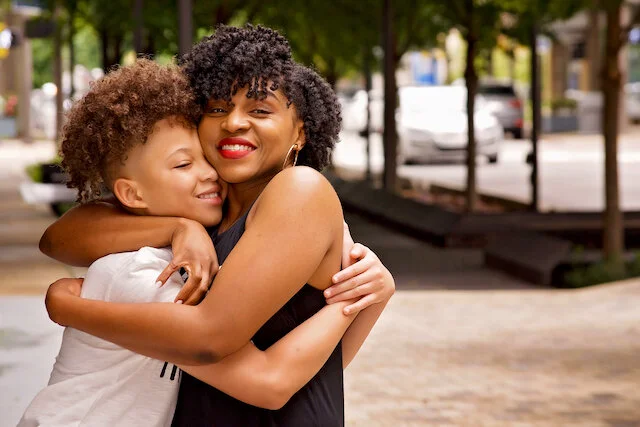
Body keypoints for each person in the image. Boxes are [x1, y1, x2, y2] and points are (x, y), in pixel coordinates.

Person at [43, 25, 395, 426]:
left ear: (300, 131)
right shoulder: (208, 204)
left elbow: (210, 338)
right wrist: (178, 228)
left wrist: (72, 308)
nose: (234, 123)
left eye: (260, 110)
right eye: (217, 108)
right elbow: (60, 238)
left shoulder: (299, 190)